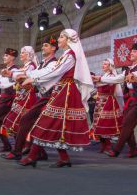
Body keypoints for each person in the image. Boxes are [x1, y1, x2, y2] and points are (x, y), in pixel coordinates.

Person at [18, 29, 94, 168]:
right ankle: (63, 158)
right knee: (56, 126)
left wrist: (32, 77)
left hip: (66, 93)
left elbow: (55, 71)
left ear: (69, 40)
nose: (58, 39)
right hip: (62, 91)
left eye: (61, 37)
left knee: (45, 122)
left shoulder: (70, 55)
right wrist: (31, 77)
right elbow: (53, 72)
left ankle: (32, 156)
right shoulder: (66, 55)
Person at [1, 37, 58, 160]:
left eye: (46, 45)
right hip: (44, 97)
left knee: (43, 125)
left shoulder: (53, 63)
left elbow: (40, 74)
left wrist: (15, 74)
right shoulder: (43, 63)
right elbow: (30, 74)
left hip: (50, 98)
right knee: (31, 122)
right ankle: (36, 153)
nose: (42, 47)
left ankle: (24, 151)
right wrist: (13, 74)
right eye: (42, 45)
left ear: (53, 48)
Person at [99, 43, 137, 158]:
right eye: (131, 51)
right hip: (130, 100)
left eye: (135, 52)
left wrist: (133, 74)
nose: (131, 53)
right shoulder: (127, 69)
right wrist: (100, 78)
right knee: (127, 125)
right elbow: (117, 79)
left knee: (127, 124)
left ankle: (116, 150)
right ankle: (133, 150)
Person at [0, 46, 38, 141]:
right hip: (21, 97)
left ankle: (25, 147)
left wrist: (12, 74)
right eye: (21, 52)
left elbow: (25, 77)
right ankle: (21, 147)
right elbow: (18, 76)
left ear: (29, 54)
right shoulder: (24, 66)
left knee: (22, 122)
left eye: (23, 53)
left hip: (28, 97)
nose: (20, 54)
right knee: (17, 122)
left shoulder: (31, 65)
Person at [91, 59, 123, 153]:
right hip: (100, 101)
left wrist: (95, 79)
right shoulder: (103, 75)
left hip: (108, 101)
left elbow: (104, 82)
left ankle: (108, 146)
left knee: (104, 123)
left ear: (110, 66)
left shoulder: (112, 76)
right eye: (103, 64)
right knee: (97, 123)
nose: (103, 65)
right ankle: (103, 145)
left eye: (105, 64)